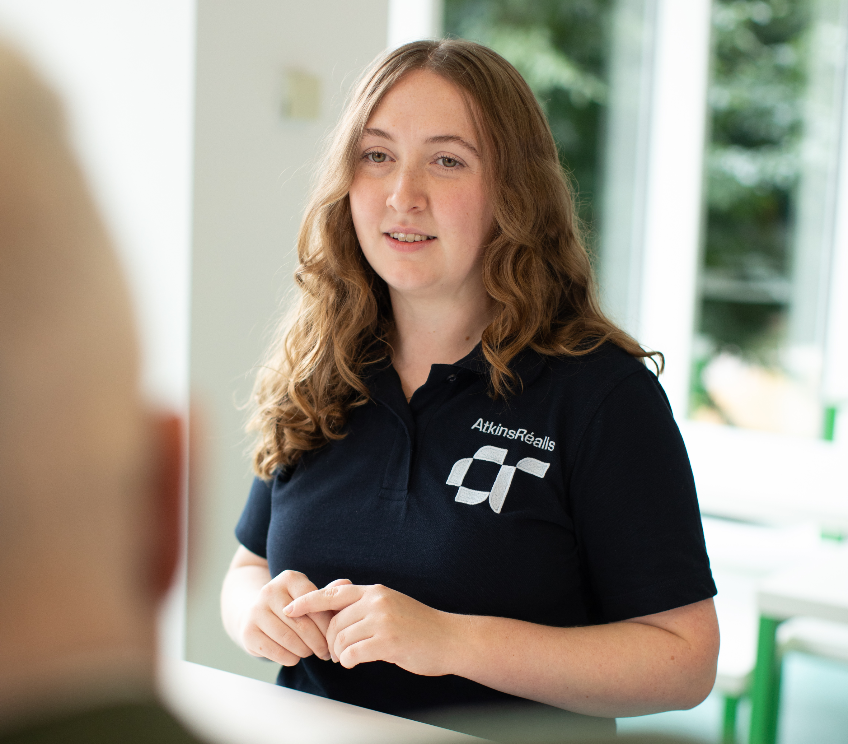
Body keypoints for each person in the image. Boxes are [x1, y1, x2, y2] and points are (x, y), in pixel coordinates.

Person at [221, 39, 719, 739]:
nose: (403, 195)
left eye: (447, 160)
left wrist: (452, 642)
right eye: (377, 155)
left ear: (515, 192)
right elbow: (246, 567)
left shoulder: (601, 394)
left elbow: (684, 660)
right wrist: (254, 612)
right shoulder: (321, 364)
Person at [0, 41, 203, 743]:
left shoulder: (564, 393)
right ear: (170, 488)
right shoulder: (311, 379)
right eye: (376, 156)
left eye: (449, 158)